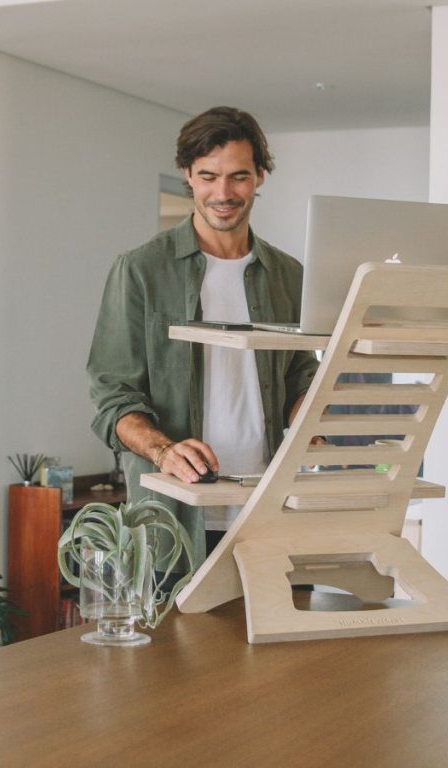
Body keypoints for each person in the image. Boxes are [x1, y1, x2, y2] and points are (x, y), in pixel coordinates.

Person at [87, 106, 319, 566]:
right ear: (187, 175)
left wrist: (315, 424)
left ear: (260, 178)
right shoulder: (140, 271)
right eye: (208, 176)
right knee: (178, 638)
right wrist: (164, 449)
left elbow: (301, 376)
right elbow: (113, 396)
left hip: (268, 512)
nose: (223, 193)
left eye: (238, 177)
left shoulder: (289, 275)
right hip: (173, 519)